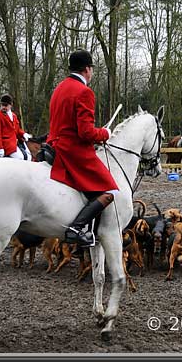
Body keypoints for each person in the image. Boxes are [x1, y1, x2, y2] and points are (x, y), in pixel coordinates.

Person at [47, 49, 119, 248]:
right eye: (92, 70)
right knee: (110, 191)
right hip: (72, 150)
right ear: (87, 69)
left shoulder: (59, 88)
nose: (92, 73)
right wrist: (105, 133)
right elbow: (86, 133)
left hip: (54, 144)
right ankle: (77, 228)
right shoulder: (84, 92)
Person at [0, 94, 32, 160]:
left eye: (6, 105)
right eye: (2, 105)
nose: (3, 107)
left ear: (10, 105)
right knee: (20, 158)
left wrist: (23, 134)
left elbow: (17, 130)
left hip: (15, 143)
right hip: (5, 145)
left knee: (29, 157)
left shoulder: (14, 116)